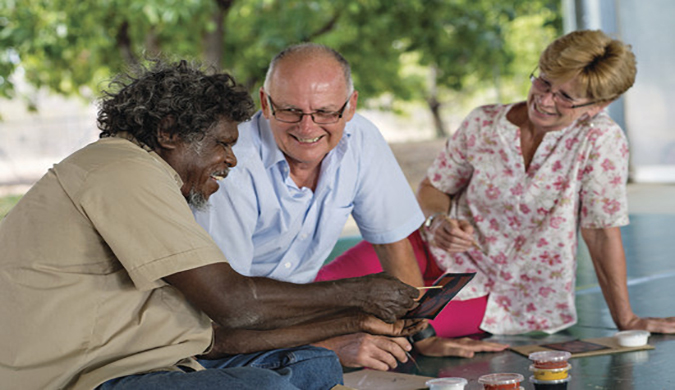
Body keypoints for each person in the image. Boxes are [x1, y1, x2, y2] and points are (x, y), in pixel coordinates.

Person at [0, 59, 426, 390]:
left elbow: (215, 338)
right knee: (263, 386)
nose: (231, 160)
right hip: (73, 378)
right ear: (169, 133)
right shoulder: (122, 170)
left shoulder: (152, 181)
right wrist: (362, 293)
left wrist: (355, 321)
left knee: (314, 364)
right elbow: (236, 305)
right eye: (222, 143)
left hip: (146, 361)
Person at [319, 29, 675, 337]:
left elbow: (601, 232)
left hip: (504, 291)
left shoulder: (601, 141)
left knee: (370, 322)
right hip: (423, 247)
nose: (545, 100)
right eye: (544, 81)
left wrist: (626, 319)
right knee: (311, 293)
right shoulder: (483, 122)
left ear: (598, 105)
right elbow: (433, 188)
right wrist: (438, 220)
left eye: (566, 97)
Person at [194, 43, 507, 370]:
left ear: (351, 105)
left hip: (291, 316)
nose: (307, 127)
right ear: (265, 103)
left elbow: (394, 245)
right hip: (214, 335)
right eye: (290, 110)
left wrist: (422, 335)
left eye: (326, 112)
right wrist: (325, 345)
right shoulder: (231, 163)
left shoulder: (361, 139)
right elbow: (226, 308)